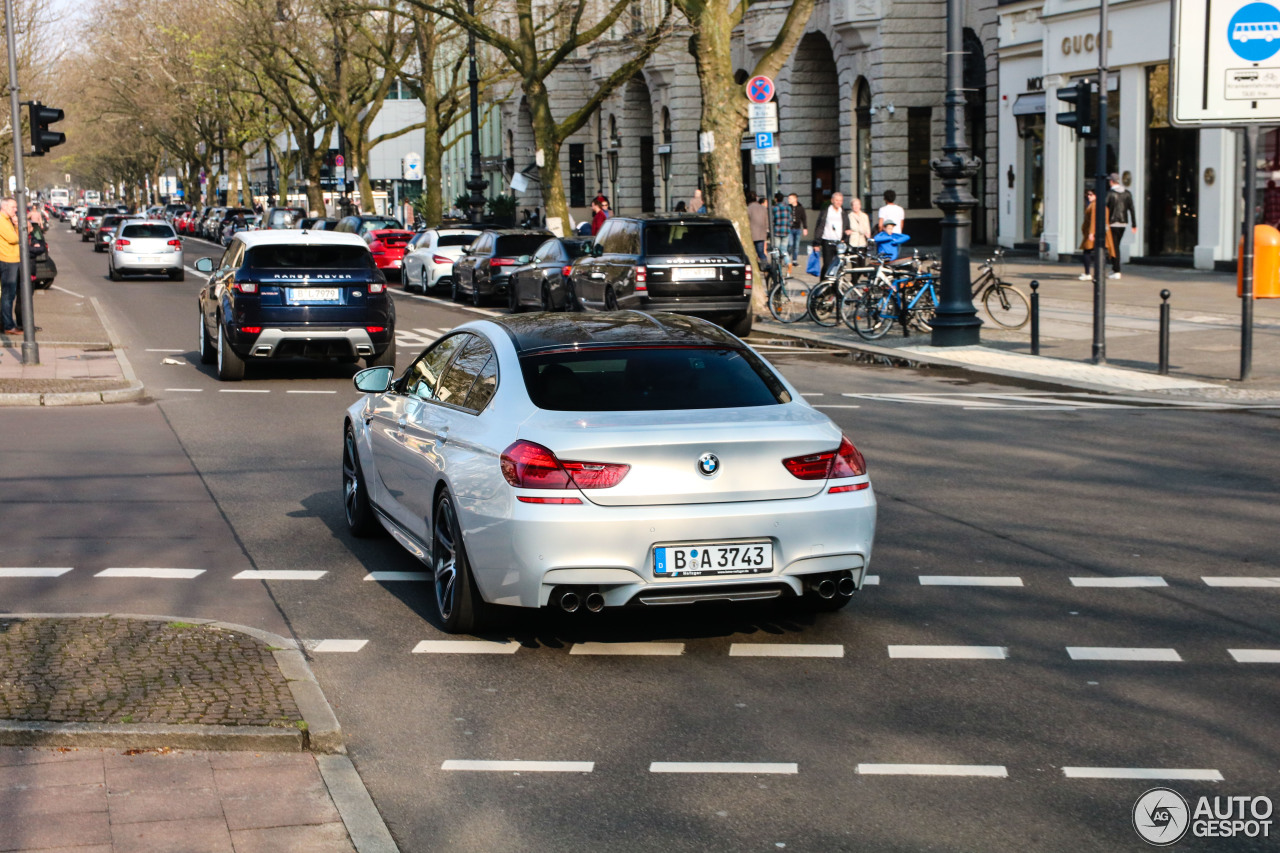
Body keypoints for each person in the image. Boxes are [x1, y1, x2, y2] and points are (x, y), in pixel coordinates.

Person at [812, 190, 852, 276]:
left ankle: (835, 287)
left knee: (838, 266)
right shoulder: (826, 212)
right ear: (832, 200)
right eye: (837, 200)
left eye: (840, 200)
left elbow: (847, 228)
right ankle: (824, 285)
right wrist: (816, 243)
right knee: (827, 265)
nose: (839, 202)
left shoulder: (844, 213)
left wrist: (845, 239)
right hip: (827, 241)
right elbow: (819, 227)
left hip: (839, 243)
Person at [1079, 188, 1115, 281]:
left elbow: (1093, 220)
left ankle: (1088, 273)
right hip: (1102, 232)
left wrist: (1091, 233)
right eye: (1088, 194)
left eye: (1091, 195)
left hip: (1094, 233)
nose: (1088, 196)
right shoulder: (1103, 206)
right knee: (1100, 253)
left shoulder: (1094, 206)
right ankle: (1099, 273)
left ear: (1096, 196)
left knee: (1087, 251)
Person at [1106, 173, 1136, 279]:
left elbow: (1105, 208)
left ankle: (1117, 270)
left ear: (1111, 181)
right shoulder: (1127, 193)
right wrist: (1134, 224)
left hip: (1112, 223)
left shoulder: (1110, 193)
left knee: (1114, 247)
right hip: (1123, 223)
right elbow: (1131, 209)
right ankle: (1115, 269)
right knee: (1116, 245)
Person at [1, 197, 20, 335]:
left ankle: (7, 323)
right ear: (5, 207)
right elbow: (14, 239)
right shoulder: (2, 221)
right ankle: (8, 325)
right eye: (13, 207)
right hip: (8, 260)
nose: (16, 210)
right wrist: (17, 225)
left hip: (11, 259)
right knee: (8, 294)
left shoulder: (7, 220)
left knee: (9, 294)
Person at [786, 193, 808, 275]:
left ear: (795, 199)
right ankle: (787, 260)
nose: (789, 200)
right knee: (790, 244)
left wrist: (805, 228)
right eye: (788, 199)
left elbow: (804, 218)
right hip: (790, 229)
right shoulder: (788, 207)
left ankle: (794, 260)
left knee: (796, 245)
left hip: (797, 229)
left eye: (790, 199)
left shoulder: (800, 208)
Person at [770, 192, 791, 268]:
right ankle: (788, 262)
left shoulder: (774, 208)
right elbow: (790, 219)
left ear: (776, 199)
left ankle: (776, 264)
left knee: (776, 249)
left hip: (777, 231)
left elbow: (773, 220)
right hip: (786, 231)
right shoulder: (788, 207)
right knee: (784, 249)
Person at [746, 191, 768, 262]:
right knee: (761, 252)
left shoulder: (748, 208)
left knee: (750, 253)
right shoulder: (763, 208)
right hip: (761, 234)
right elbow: (766, 221)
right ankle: (765, 266)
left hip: (751, 234)